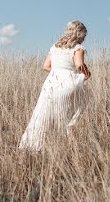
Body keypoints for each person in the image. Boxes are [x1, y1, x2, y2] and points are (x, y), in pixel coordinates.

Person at [18, 20, 91, 152]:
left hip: (51, 83)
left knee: (43, 115)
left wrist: (58, 71)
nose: (85, 38)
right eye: (84, 35)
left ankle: (35, 145)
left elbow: (46, 66)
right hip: (68, 83)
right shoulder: (78, 48)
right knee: (70, 112)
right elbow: (79, 65)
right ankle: (64, 144)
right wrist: (87, 74)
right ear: (79, 34)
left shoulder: (55, 47)